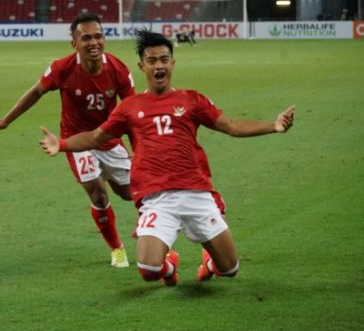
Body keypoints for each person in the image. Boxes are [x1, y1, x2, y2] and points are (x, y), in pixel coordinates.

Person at [39, 30, 295, 286]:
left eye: (163, 59)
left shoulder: (192, 99)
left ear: (172, 63)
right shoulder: (129, 108)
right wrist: (61, 144)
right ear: (142, 66)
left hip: (196, 193)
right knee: (148, 269)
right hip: (157, 199)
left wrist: (273, 125)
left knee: (230, 269)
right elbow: (95, 138)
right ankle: (169, 268)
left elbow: (231, 126)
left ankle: (209, 262)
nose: (158, 66)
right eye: (152, 61)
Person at [0, 13, 136, 268]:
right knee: (98, 196)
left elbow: (131, 113)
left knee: (130, 193)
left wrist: (138, 149)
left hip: (109, 141)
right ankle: (117, 248)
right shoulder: (62, 68)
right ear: (74, 43)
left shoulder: (118, 69)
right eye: (86, 38)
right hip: (76, 143)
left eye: (98, 36)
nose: (94, 43)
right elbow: (36, 92)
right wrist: (5, 120)